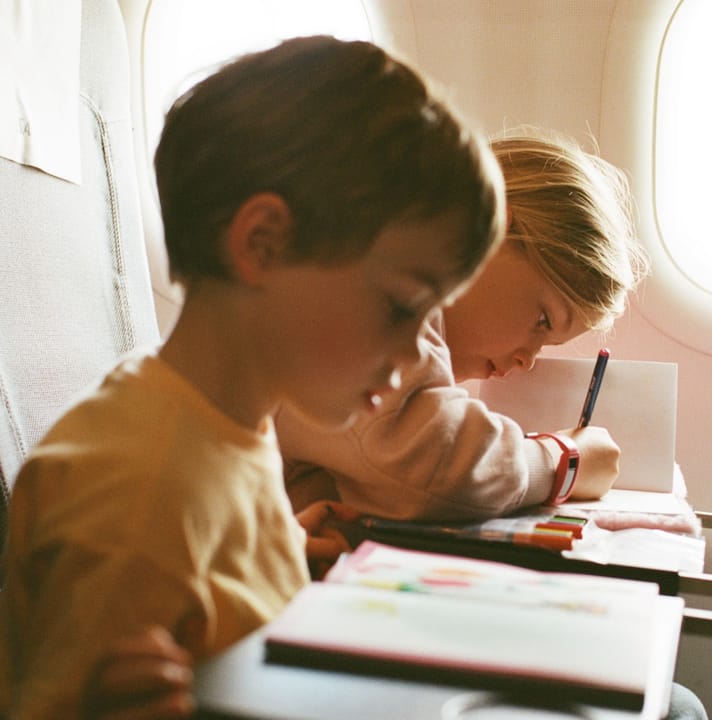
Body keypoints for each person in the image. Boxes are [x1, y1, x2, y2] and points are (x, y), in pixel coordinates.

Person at [0, 35, 505, 718]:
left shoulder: (234, 420)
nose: (419, 354)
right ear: (262, 244)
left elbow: (216, 597)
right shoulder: (136, 494)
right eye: (400, 306)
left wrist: (295, 555)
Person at [277, 129, 650, 521]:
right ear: (491, 226)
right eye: (543, 320)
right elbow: (435, 464)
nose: (528, 361)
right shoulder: (383, 279)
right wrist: (562, 461)